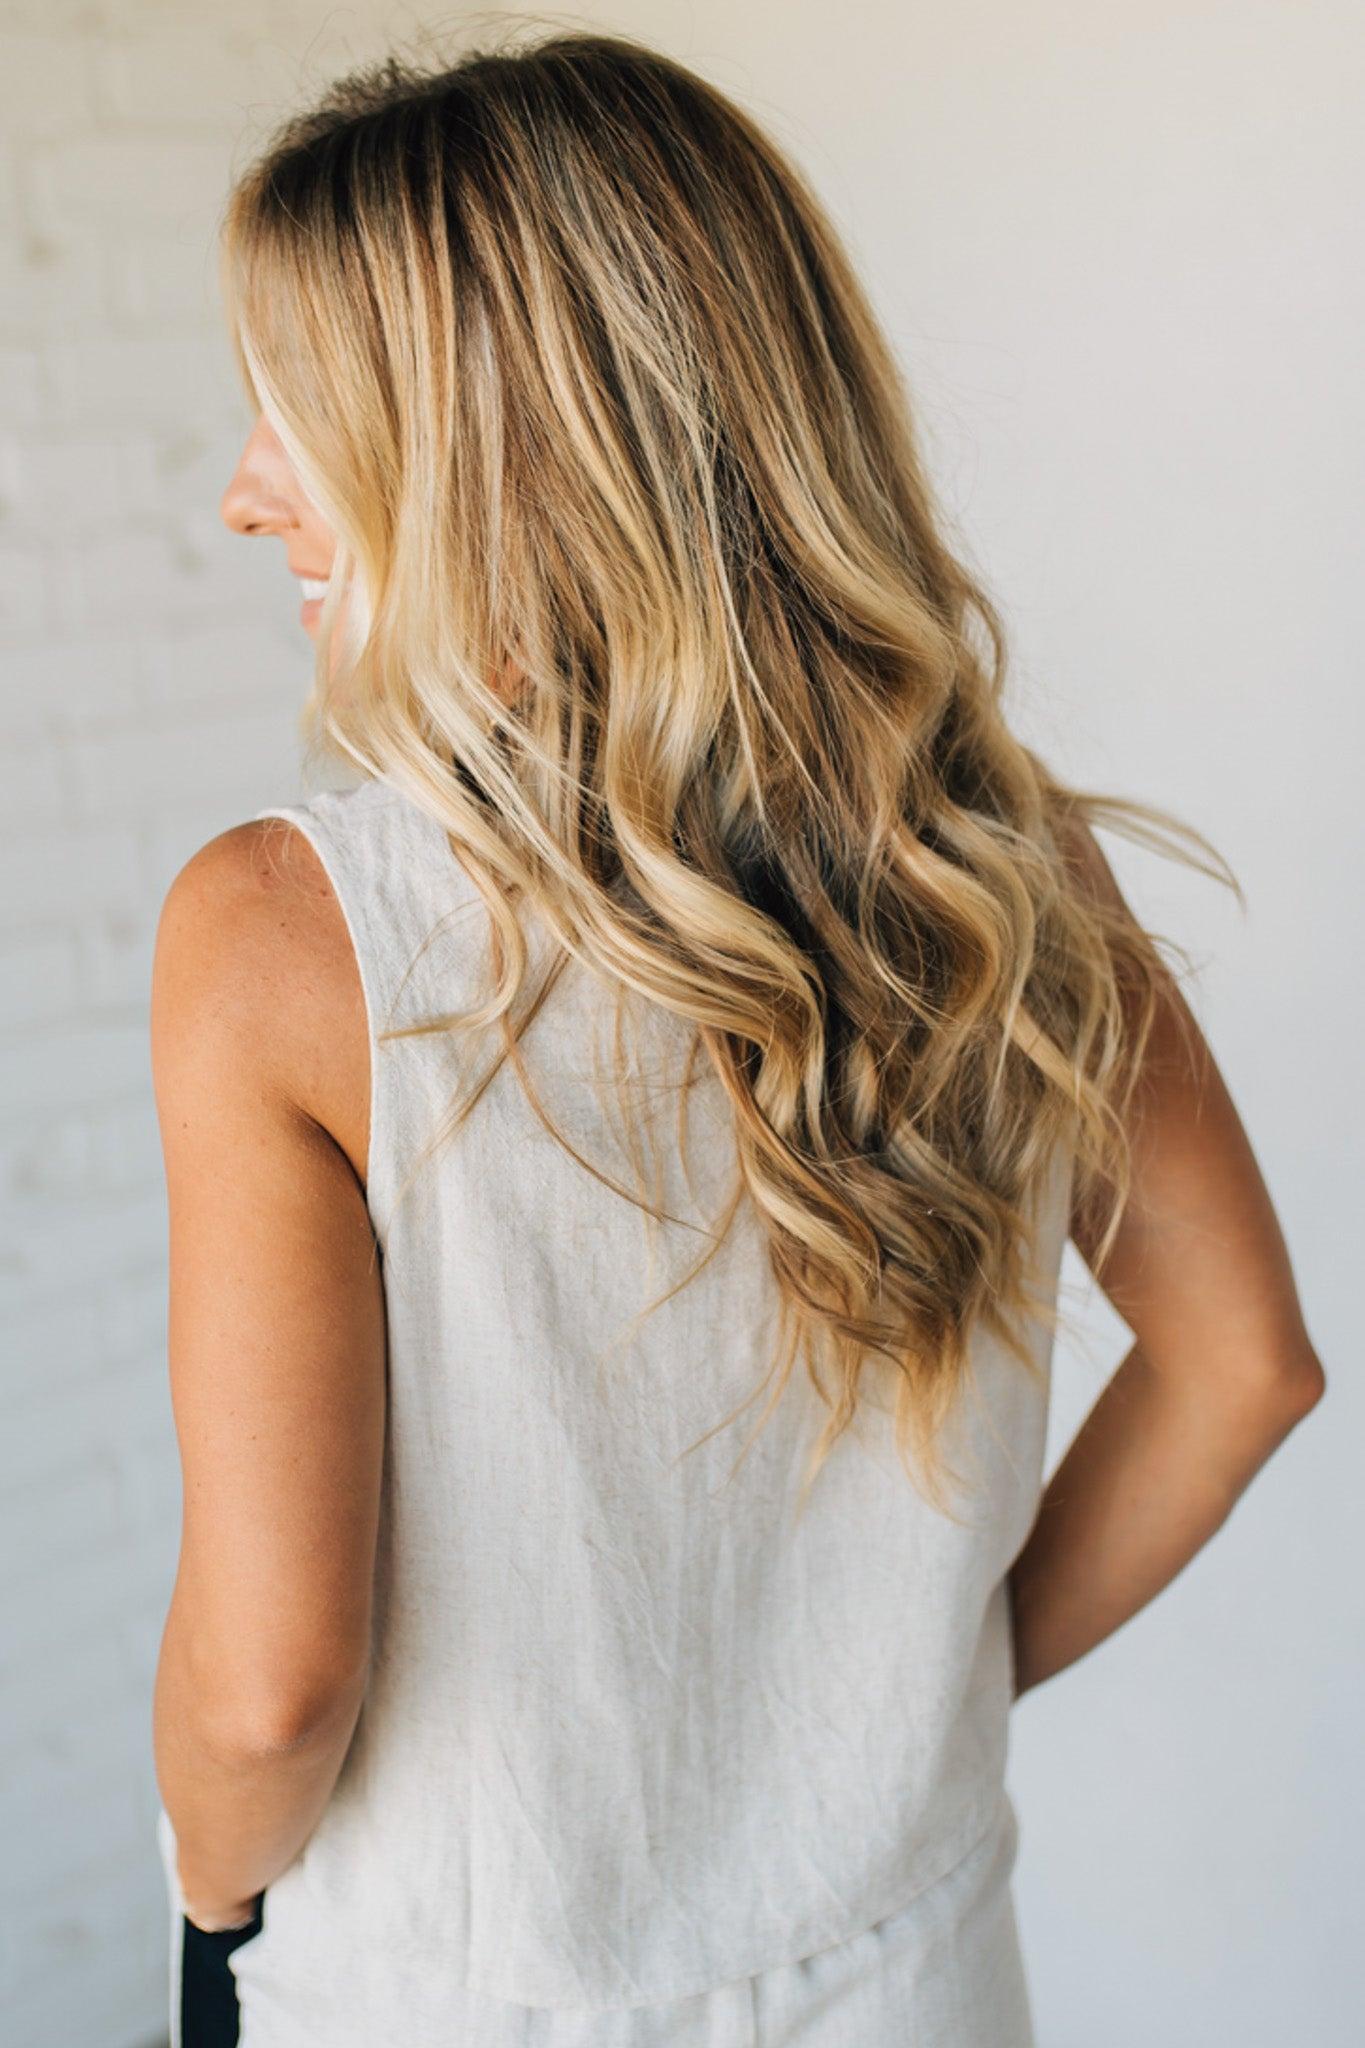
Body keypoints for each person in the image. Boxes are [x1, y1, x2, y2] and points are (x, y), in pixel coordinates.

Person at [148, 27, 1325, 2048]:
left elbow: (270, 1684)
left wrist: (201, 1888)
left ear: (503, 454)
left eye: (300, 411)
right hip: (920, 1974)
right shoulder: (991, 860)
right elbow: (1243, 1364)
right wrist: (899, 1722)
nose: (247, 492)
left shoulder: (282, 935)